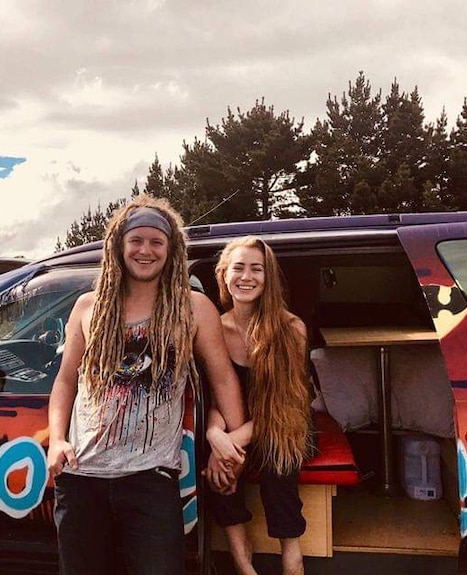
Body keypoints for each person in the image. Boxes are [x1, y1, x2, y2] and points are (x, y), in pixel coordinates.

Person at [47, 195, 246, 575]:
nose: (145, 250)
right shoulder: (89, 307)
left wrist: (233, 447)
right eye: (136, 240)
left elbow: (223, 378)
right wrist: (57, 439)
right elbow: (65, 380)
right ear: (119, 246)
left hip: (150, 481)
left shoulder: (194, 307)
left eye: (157, 242)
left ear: (171, 251)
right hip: (81, 479)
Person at [205, 236, 314, 575]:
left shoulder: (291, 328)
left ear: (269, 279)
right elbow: (216, 392)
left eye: (257, 269)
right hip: (233, 423)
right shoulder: (214, 328)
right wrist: (214, 434)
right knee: (214, 466)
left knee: (277, 460)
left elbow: (288, 404)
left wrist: (230, 441)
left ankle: (292, 557)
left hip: (284, 420)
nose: (246, 277)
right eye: (238, 268)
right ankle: (241, 556)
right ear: (224, 275)